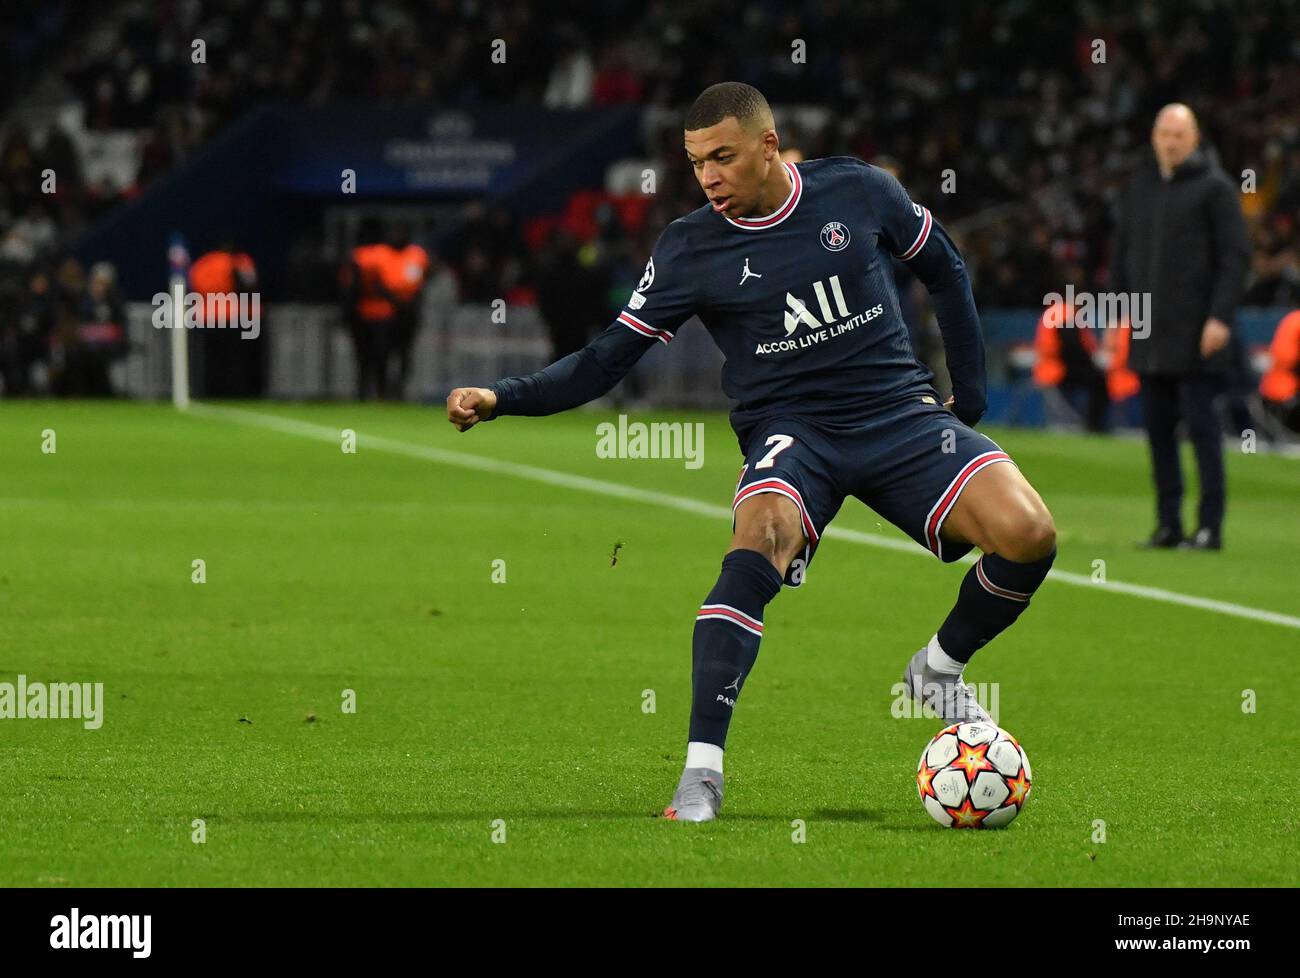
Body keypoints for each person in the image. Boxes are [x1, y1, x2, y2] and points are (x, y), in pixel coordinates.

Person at [446, 83, 1056, 823]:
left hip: (898, 413)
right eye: (697, 162)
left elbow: (946, 268)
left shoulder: (856, 190)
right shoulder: (689, 247)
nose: (708, 177)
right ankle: (701, 776)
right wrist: (503, 396)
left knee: (1030, 535)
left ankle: (939, 668)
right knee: (757, 537)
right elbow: (605, 360)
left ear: (769, 146)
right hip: (792, 431)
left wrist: (971, 396)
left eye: (723, 158)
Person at [1110, 103, 1251, 550]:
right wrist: (1119, 314)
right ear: (1154, 137)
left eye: (1179, 135)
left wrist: (1220, 318)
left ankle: (1210, 526)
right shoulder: (1141, 188)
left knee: (1203, 431)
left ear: (1194, 138)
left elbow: (1235, 259)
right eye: (1164, 133)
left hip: (1197, 335)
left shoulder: (1216, 189)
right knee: (1157, 432)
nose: (1171, 142)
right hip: (1150, 334)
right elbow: (1123, 256)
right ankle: (1168, 523)